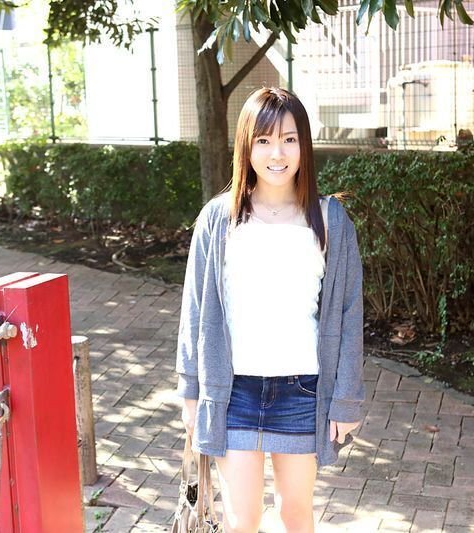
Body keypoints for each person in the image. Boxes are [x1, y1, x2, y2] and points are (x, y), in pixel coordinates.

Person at [176, 87, 365, 533]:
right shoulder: (218, 219)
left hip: (303, 392)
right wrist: (190, 392)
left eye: (289, 139)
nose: (276, 153)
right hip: (232, 391)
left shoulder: (329, 219)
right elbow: (195, 307)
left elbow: (348, 314)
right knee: (241, 521)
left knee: (295, 514)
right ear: (246, 145)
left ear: (304, 145)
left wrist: (346, 399)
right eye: (263, 140)